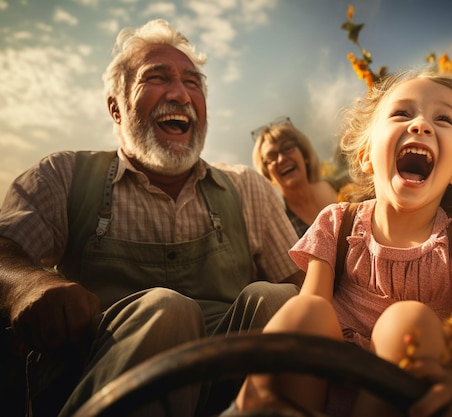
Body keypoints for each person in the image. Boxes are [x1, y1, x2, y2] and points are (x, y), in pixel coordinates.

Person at [0, 19, 304, 417]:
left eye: (193, 83)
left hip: (233, 387)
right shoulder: (63, 175)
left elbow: (301, 285)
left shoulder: (248, 187)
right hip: (97, 377)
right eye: (157, 77)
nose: (180, 93)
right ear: (116, 107)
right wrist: (29, 285)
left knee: (281, 300)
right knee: (166, 309)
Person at [228, 70, 452, 417]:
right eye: (402, 113)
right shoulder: (337, 224)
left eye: (443, 119)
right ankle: (257, 405)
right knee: (302, 309)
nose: (421, 125)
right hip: (332, 383)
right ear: (366, 155)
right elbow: (311, 313)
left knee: (406, 322)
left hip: (423, 393)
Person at [252, 118, 339, 237]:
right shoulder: (280, 223)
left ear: (305, 156)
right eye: (271, 156)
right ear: (267, 173)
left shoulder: (339, 187)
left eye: (287, 148)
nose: (281, 159)